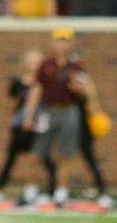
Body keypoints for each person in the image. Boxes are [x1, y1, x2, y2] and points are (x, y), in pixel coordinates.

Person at [21, 27, 91, 207]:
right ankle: (31, 190)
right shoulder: (46, 64)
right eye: (59, 41)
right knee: (37, 152)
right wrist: (29, 115)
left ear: (71, 43)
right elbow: (37, 89)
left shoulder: (77, 66)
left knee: (66, 154)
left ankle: (61, 193)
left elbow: (83, 91)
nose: (62, 45)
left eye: (65, 41)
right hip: (47, 110)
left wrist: (78, 87)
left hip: (68, 110)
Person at [0, 49, 43, 204]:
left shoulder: (44, 83)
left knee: (40, 158)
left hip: (38, 125)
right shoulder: (18, 83)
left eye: (37, 62)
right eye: (31, 62)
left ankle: (36, 189)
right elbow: (11, 105)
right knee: (11, 157)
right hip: (20, 124)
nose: (34, 65)